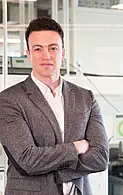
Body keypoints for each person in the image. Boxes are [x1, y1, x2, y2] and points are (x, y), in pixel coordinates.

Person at [0, 17, 109, 195]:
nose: (46, 56)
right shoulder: (9, 100)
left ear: (62, 53)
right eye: (38, 49)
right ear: (28, 54)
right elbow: (27, 160)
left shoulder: (85, 98)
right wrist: (76, 148)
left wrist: (50, 163)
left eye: (53, 48)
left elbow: (100, 158)